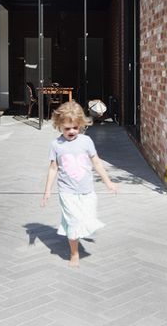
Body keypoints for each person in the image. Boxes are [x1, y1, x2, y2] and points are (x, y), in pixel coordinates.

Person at [41, 99, 118, 267]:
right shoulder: (56, 145)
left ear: (81, 125)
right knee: (73, 222)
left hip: (87, 191)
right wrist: (47, 191)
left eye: (75, 127)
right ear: (59, 125)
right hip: (67, 191)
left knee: (87, 218)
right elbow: (53, 169)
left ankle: (79, 234)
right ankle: (74, 253)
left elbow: (96, 162)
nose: (72, 131)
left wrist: (108, 182)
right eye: (67, 128)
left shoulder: (86, 142)